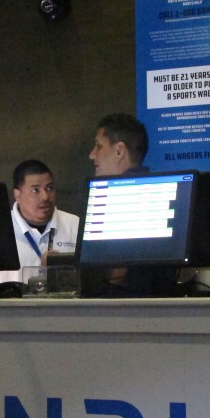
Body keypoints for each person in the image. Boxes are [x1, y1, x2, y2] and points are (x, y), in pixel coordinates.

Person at [86, 114, 178, 297]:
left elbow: (118, 276)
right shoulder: (161, 195)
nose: (92, 155)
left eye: (98, 146)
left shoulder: (115, 199)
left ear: (119, 151)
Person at [0, 160, 79, 283]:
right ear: (17, 195)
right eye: (35, 190)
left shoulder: (75, 225)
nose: (45, 197)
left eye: (49, 188)